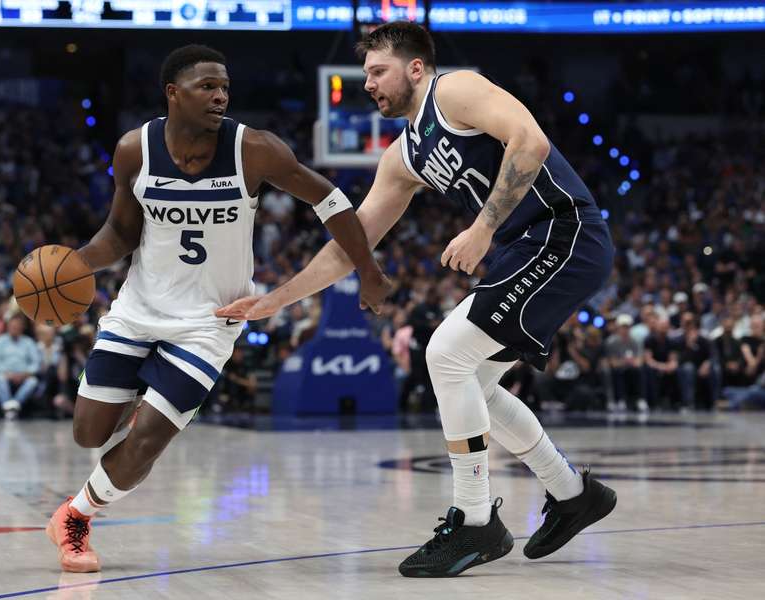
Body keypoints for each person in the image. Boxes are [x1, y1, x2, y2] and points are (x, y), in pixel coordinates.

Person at [218, 22, 617, 577]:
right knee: (473, 383)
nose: (368, 84)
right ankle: (573, 493)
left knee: (445, 353)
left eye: (377, 71)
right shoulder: (403, 155)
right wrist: (274, 300)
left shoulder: (454, 91)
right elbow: (349, 247)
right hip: (526, 246)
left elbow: (532, 142)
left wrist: (481, 228)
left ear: (414, 68)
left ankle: (476, 520)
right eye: (365, 75)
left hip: (563, 231)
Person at [45, 44, 392, 572]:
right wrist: (72, 265)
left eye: (224, 86)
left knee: (145, 443)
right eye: (207, 86)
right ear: (173, 93)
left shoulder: (254, 149)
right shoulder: (133, 150)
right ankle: (146, 392)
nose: (220, 95)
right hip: (138, 310)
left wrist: (368, 270)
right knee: (88, 433)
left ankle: (76, 516)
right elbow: (119, 233)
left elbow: (330, 199)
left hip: (211, 322)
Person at [0, 314, 41, 421]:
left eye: (17, 327)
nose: (15, 329)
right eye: (12, 326)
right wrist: (8, 374)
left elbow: (36, 362)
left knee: (33, 381)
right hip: (5, 373)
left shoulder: (29, 342)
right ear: (8, 327)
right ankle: (9, 408)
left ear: (22, 328)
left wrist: (26, 373)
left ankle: (13, 406)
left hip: (24, 375)